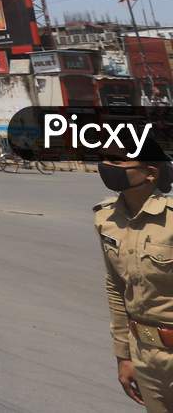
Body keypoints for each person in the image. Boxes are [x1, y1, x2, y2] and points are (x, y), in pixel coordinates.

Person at [96, 149, 173, 410]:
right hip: (144, 355)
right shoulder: (106, 219)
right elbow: (116, 288)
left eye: (117, 161)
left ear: (150, 173)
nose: (106, 166)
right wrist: (123, 356)